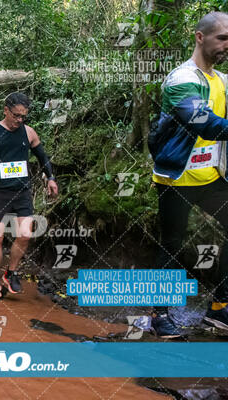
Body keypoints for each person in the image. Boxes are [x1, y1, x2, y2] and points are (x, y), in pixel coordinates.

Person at [148, 11, 228, 337]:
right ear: (200, 37)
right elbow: (204, 124)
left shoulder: (222, 80)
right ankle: (158, 314)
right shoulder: (181, 79)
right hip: (177, 177)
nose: (227, 44)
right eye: (222, 38)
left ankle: (220, 307)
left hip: (212, 177)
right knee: (172, 243)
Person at [0, 92, 58, 299]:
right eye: (16, 115)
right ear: (6, 110)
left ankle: (12, 272)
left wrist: (51, 177)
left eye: (23, 116)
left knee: (25, 235)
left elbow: (43, 157)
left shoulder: (29, 133)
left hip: (21, 192)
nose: (19, 120)